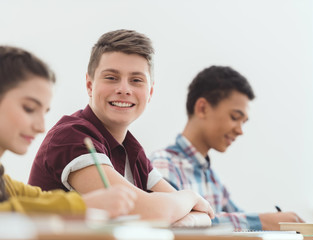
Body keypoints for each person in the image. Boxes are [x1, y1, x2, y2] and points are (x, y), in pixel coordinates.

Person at [28, 29, 214, 225]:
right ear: (90, 85)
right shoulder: (71, 137)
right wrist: (190, 196)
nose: (124, 89)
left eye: (136, 80)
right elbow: (151, 212)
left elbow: (205, 216)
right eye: (111, 77)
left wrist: (183, 217)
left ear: (149, 92)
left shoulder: (133, 150)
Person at [149, 65, 304, 230]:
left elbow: (239, 218)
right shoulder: (163, 165)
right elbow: (178, 222)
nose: (240, 130)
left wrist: (270, 221)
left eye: (243, 122)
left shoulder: (212, 177)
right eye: (235, 117)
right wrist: (262, 221)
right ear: (202, 108)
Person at [0, 45, 137, 217]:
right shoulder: (73, 134)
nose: (41, 127)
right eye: (29, 108)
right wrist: (84, 205)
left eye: (44, 112)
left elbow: (35, 199)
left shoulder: (5, 185)